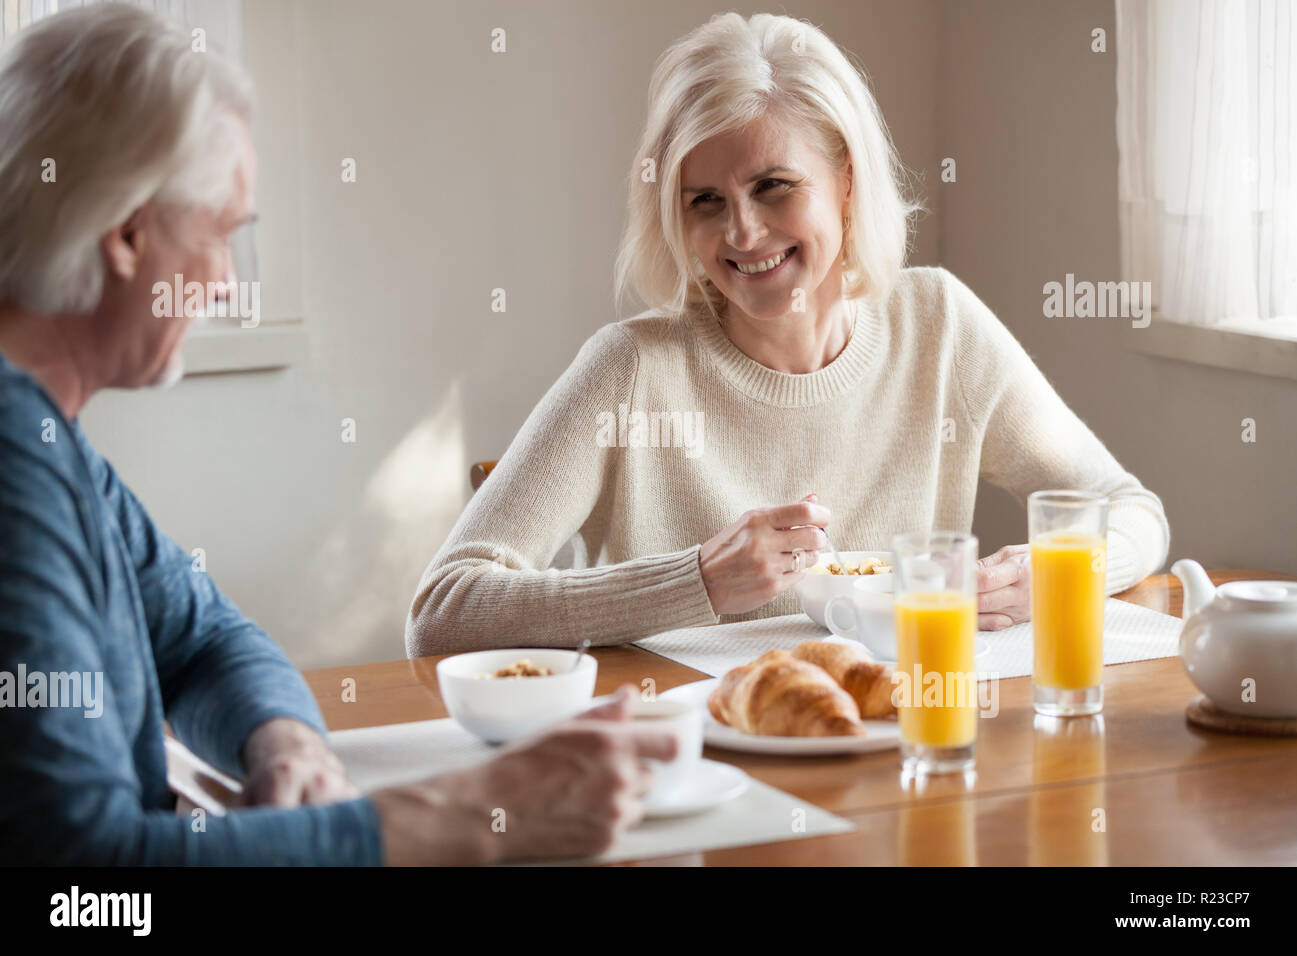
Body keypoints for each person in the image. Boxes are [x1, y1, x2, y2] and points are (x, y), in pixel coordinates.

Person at [0, 4, 672, 866]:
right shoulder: (17, 473)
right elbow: (85, 885)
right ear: (127, 235)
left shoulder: (56, 452)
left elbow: (208, 640)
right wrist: (466, 819)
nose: (229, 288)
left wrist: (286, 742)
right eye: (222, 239)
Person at [406, 12, 1170, 656]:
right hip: (688, 766)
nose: (742, 231)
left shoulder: (940, 325)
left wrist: (1059, 566)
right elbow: (442, 609)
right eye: (705, 200)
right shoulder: (632, 368)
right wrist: (697, 580)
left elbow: (1130, 509)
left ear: (845, 181)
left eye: (774, 186)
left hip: (898, 749)